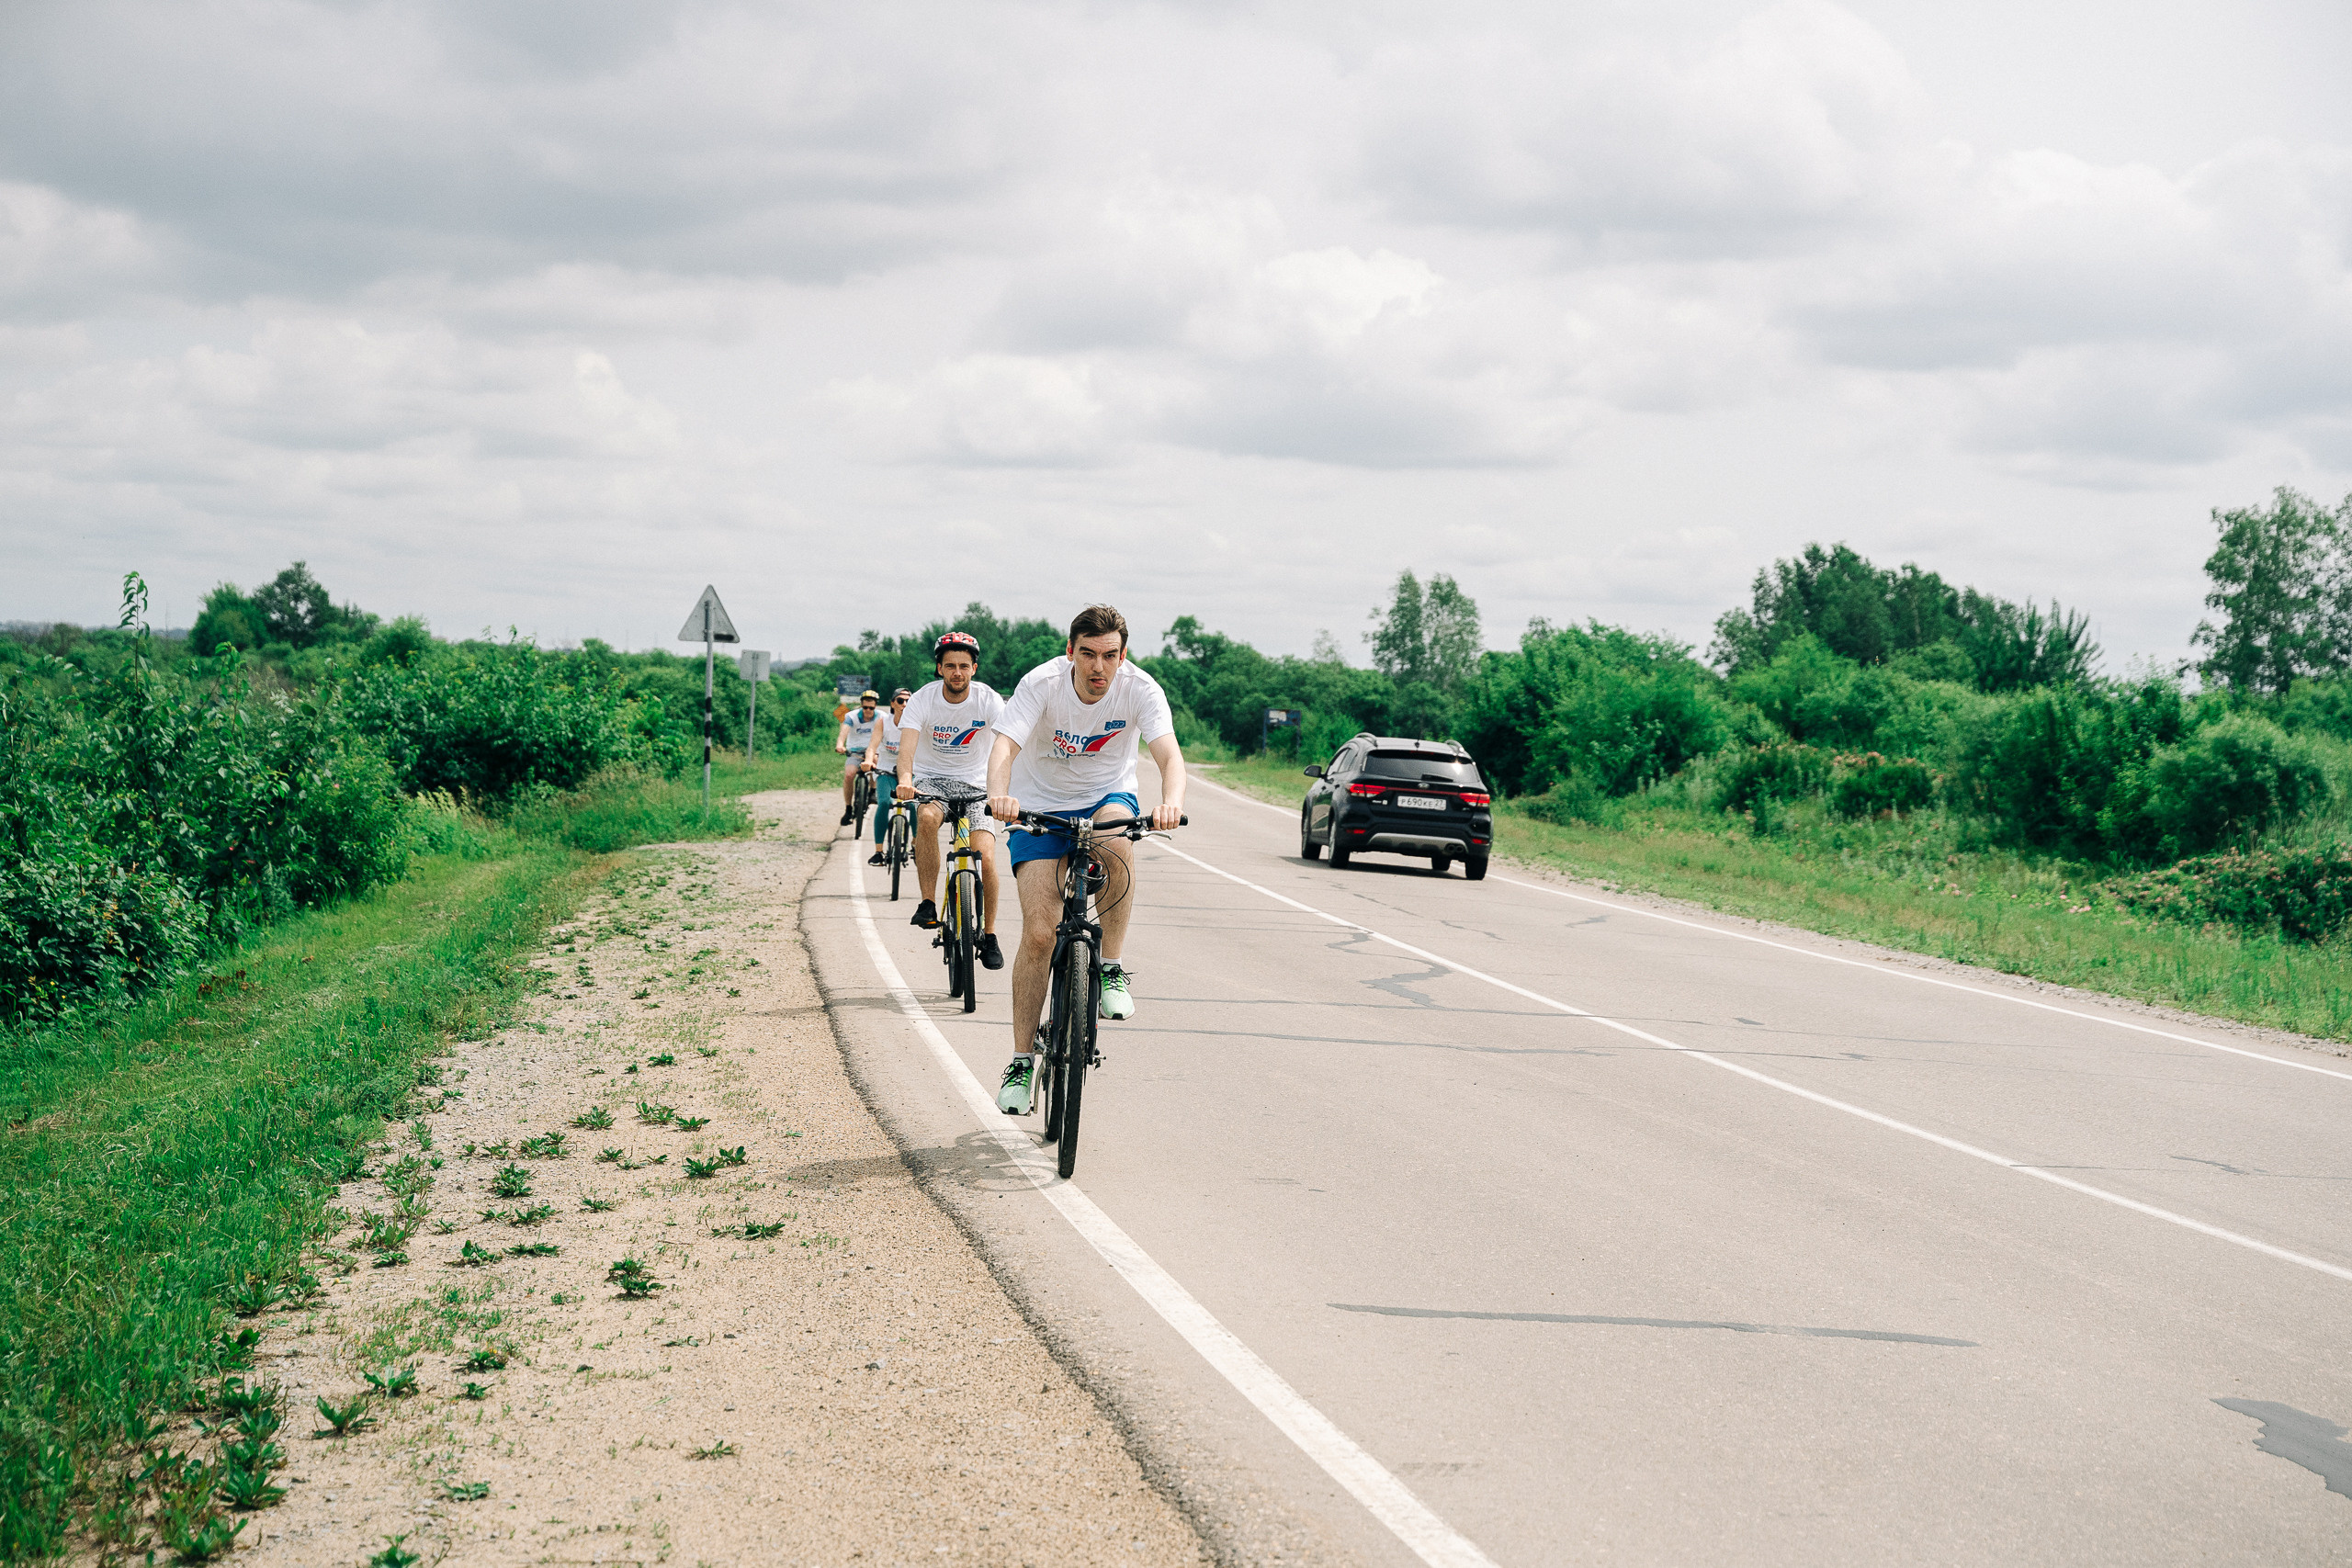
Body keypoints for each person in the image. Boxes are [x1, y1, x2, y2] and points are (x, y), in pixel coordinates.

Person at [985, 604, 1185, 1115]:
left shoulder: (1140, 689)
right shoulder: (1042, 684)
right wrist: (998, 795)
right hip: (1038, 807)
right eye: (1089, 654)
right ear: (1071, 650)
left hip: (1105, 797)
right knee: (1038, 933)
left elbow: (1167, 754)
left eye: (1110, 656)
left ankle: (1112, 966)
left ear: (1123, 656)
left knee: (1117, 837)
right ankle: (1021, 1061)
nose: (1099, 667)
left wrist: (1172, 802)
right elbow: (1004, 747)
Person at [894, 634, 1006, 971]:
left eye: (963, 666)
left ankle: (989, 935)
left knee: (985, 855)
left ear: (974, 668)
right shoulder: (923, 700)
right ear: (939, 668)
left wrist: (1006, 789)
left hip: (978, 785)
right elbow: (907, 749)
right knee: (927, 819)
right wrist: (904, 781)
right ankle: (928, 902)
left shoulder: (988, 700)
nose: (957, 672)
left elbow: (1007, 745)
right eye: (950, 666)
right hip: (933, 781)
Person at [861, 688, 912, 865]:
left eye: (908, 701)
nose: (904, 704)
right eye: (900, 701)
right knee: (883, 802)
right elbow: (872, 746)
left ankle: (916, 844)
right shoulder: (884, 722)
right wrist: (869, 761)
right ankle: (878, 851)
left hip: (909, 772)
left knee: (914, 806)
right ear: (892, 703)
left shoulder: (915, 724)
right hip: (886, 770)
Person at [835, 690, 881, 829]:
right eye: (865, 707)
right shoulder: (851, 716)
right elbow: (843, 732)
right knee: (849, 775)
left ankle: (873, 791)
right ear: (861, 706)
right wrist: (840, 745)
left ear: (875, 707)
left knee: (876, 764)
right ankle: (848, 809)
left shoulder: (881, 717)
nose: (868, 711)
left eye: (871, 708)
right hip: (854, 752)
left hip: (873, 751)